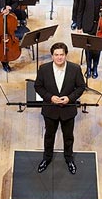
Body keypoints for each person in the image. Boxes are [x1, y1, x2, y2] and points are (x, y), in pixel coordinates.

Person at [35, 42, 87, 174]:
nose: (59, 58)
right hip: (50, 109)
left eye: (62, 55)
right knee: (49, 136)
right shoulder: (43, 69)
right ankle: (47, 158)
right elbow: (38, 86)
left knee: (68, 136)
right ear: (52, 56)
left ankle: (69, 159)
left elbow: (81, 87)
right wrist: (50, 97)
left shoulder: (75, 69)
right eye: (56, 55)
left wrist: (70, 98)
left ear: (66, 55)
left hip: (68, 109)